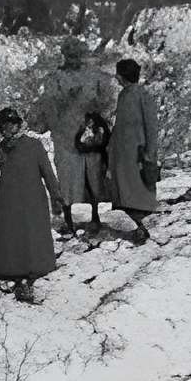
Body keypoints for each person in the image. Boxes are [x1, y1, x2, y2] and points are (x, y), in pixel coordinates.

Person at [0, 105, 63, 303]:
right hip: (7, 202)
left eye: (11, 124)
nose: (7, 128)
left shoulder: (34, 145)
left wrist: (56, 197)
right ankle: (15, 277)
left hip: (31, 200)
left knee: (31, 237)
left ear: (18, 125)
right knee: (11, 238)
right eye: (4, 125)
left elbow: (48, 172)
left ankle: (31, 277)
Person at [45, 36, 114, 237]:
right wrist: (65, 101)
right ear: (64, 55)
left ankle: (95, 217)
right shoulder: (54, 79)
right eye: (70, 53)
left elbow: (107, 102)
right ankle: (68, 220)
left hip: (90, 138)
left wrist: (96, 117)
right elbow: (49, 107)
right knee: (67, 180)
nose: (74, 57)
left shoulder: (95, 76)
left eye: (77, 53)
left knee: (94, 177)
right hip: (65, 138)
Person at [103, 56, 164, 242]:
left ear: (123, 75)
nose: (116, 77)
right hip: (122, 157)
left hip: (137, 156)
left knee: (138, 194)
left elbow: (151, 127)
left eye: (118, 74)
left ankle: (141, 230)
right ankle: (129, 228)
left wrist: (150, 155)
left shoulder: (142, 95)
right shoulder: (124, 95)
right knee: (125, 193)